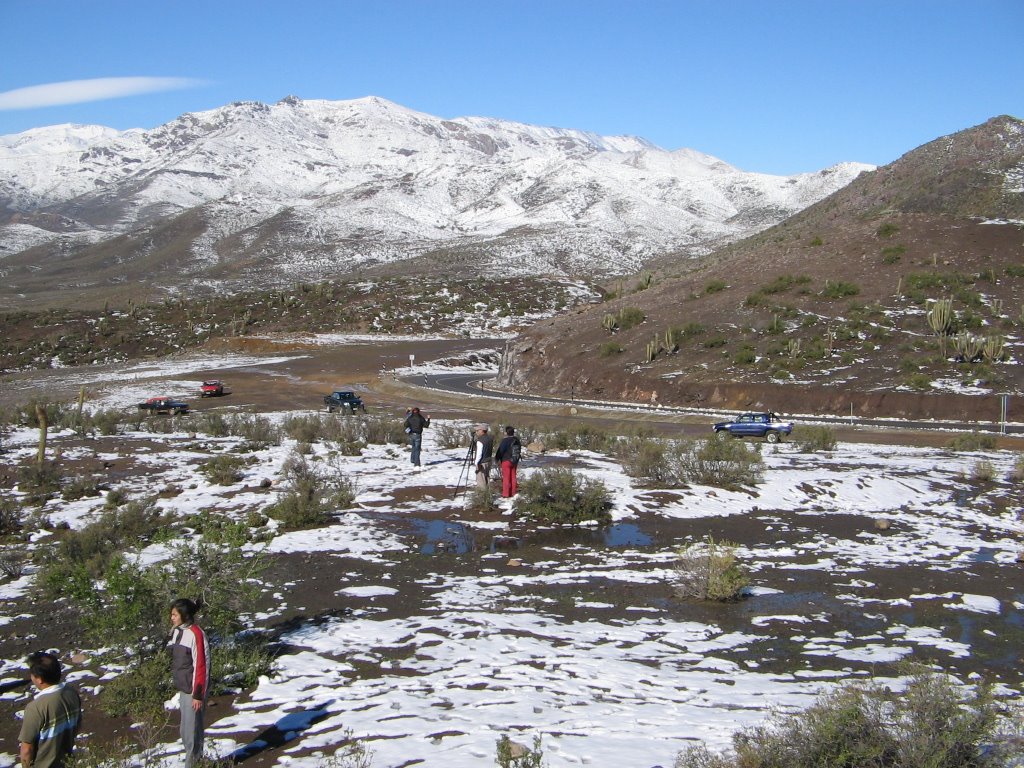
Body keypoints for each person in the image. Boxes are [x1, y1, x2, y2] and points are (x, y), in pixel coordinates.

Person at [18, 652, 82, 768]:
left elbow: (27, 749)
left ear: (40, 679)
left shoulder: (35, 708)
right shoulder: (71, 693)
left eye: (32, 674)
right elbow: (77, 726)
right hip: (67, 763)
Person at [168, 598, 211, 768]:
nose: (171, 618)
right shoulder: (179, 632)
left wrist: (198, 695)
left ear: (184, 615)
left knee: (192, 734)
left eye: (174, 614)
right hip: (184, 690)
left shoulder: (196, 634)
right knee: (185, 733)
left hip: (194, 692)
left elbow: (201, 665)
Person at [494, 425, 522, 498]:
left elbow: (501, 451)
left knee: (506, 477)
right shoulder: (517, 440)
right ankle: (513, 492)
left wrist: (497, 458)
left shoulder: (505, 440)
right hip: (515, 460)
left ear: (506, 432)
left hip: (506, 460)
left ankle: (506, 494)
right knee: (513, 477)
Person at [473, 423, 494, 489]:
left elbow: (479, 453)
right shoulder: (490, 438)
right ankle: (488, 494)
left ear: (482, 430)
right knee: (487, 478)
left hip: (482, 462)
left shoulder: (480, 441)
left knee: (481, 480)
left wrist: (476, 463)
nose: (476, 432)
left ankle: (482, 496)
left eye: (477, 430)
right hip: (489, 460)